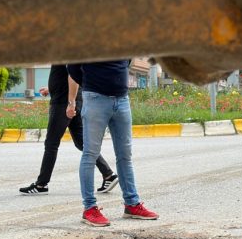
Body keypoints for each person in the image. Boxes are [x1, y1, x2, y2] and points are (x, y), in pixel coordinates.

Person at [67, 60, 157, 227]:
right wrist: (91, 83)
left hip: (122, 99)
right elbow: (72, 67)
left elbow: (126, 61)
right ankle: (89, 208)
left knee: (125, 155)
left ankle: (131, 204)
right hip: (95, 99)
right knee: (90, 154)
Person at [19, 64, 118, 196]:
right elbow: (68, 74)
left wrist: (71, 103)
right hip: (70, 100)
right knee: (81, 142)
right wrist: (52, 88)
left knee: (51, 144)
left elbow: (73, 75)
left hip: (63, 103)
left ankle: (41, 184)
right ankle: (108, 175)